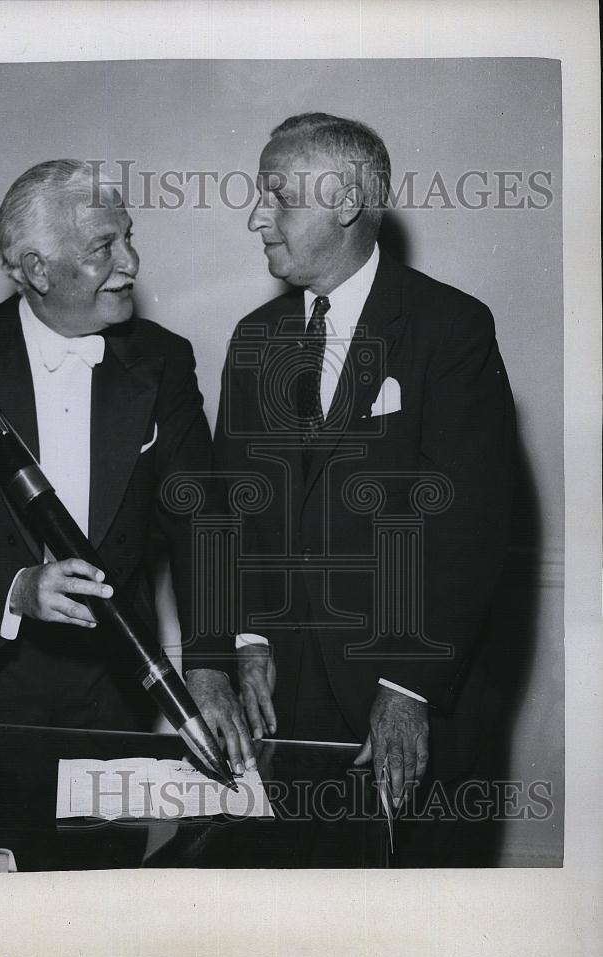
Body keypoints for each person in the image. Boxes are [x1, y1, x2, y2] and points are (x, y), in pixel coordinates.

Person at [0, 159, 251, 767]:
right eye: (105, 246)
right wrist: (18, 588)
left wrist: (208, 667)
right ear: (35, 269)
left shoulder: (165, 360)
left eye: (129, 236)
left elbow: (202, 523)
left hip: (119, 685)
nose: (130, 262)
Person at [212, 114, 516, 861]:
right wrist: (246, 639)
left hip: (410, 700)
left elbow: (471, 528)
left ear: (346, 202)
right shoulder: (254, 339)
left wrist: (408, 689)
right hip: (283, 705)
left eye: (277, 197)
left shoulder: (452, 330)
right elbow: (229, 507)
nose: (257, 216)